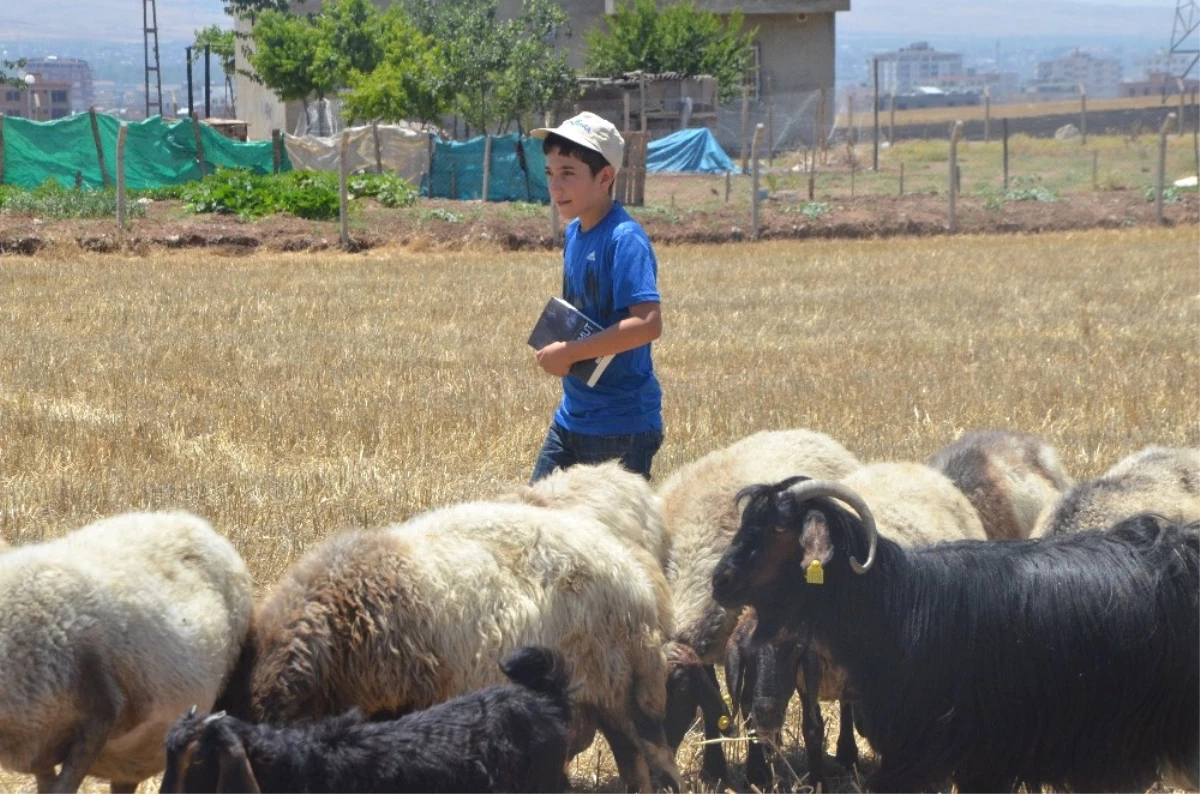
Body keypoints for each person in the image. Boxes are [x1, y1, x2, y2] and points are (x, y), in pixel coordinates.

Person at [528, 111, 663, 483]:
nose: (556, 187)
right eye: (550, 173)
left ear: (605, 177)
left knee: (609, 540)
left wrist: (569, 354)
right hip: (573, 414)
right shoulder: (574, 233)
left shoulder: (625, 239)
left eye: (568, 173)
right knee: (537, 522)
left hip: (621, 426)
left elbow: (648, 324)